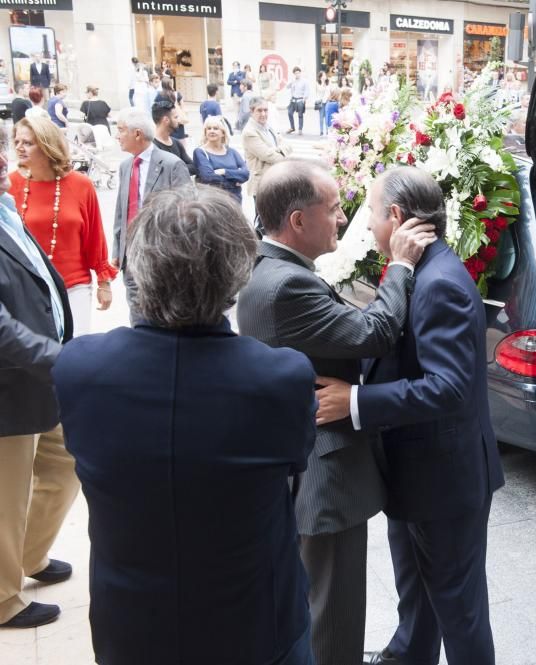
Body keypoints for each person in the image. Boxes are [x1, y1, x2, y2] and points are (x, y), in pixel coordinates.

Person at [53, 185, 316, 665]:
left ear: (139, 268)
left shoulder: (79, 368)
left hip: (131, 625)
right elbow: (295, 465)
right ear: (238, 273)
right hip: (254, 625)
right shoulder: (281, 377)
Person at [238, 160, 434, 665]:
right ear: (298, 221)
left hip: (298, 466)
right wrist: (400, 267)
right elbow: (372, 332)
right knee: (333, 615)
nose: (344, 219)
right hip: (324, 477)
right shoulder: (287, 285)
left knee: (316, 607)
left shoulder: (270, 270)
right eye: (333, 209)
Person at [314, 166, 504, 665]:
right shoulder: (416, 268)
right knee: (417, 590)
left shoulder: (440, 282)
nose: (369, 226)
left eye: (373, 215)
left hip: (444, 481)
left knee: (458, 607)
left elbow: (448, 388)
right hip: (416, 471)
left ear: (396, 216)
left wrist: (354, 403)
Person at [0, 122, 75, 630]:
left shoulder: (6, 208)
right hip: (10, 379)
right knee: (6, 491)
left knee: (66, 459)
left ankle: (29, 554)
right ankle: (4, 599)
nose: (7, 159)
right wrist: (53, 356)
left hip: (41, 370)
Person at [10, 115, 115, 335]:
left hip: (74, 286)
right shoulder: (11, 185)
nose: (20, 147)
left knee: (74, 354)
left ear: (47, 145)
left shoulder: (81, 185)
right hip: (30, 288)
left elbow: (95, 237)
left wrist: (103, 283)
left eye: (28, 142)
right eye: (17, 141)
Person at [111, 107, 190, 321]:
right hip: (131, 256)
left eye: (120, 130)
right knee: (136, 314)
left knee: (162, 313)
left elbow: (187, 213)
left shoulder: (171, 164)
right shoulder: (126, 166)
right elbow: (121, 210)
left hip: (161, 256)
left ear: (137, 133)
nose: (117, 136)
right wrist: (118, 250)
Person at [243, 96, 291, 200]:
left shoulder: (268, 127)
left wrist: (276, 150)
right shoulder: (249, 132)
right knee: (263, 216)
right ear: (252, 111)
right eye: (259, 110)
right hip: (262, 185)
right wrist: (287, 160)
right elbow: (268, 155)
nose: (263, 114)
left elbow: (288, 145)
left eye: (265, 110)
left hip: (276, 180)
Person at [193, 116, 249, 202]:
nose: (212, 131)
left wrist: (224, 171)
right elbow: (208, 177)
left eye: (215, 128)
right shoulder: (200, 152)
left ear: (223, 133)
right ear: (205, 132)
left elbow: (246, 174)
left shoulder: (232, 152)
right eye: (209, 128)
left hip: (235, 201)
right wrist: (235, 180)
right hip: (213, 201)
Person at [152, 101, 196, 177]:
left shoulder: (176, 143)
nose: (178, 121)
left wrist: (173, 170)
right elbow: (161, 175)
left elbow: (193, 167)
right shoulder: (151, 147)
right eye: (175, 117)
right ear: (166, 120)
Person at [287, 67, 310, 135]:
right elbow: (287, 87)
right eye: (295, 73)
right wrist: (291, 81)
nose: (297, 74)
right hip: (293, 99)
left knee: (300, 115)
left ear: (300, 73)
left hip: (300, 99)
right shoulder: (293, 81)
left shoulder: (304, 81)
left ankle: (300, 129)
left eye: (298, 73)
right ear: (294, 74)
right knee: (289, 112)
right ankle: (292, 127)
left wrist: (304, 99)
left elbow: (307, 90)